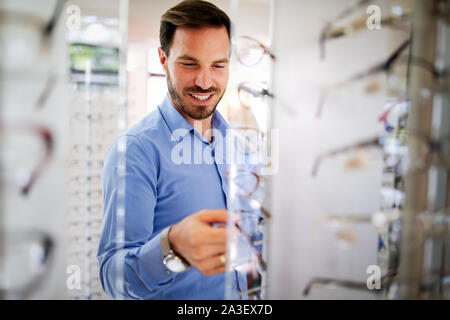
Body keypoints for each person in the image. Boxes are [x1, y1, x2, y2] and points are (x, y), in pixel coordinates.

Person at [98, 0, 247, 299]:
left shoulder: (241, 147)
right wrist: (172, 246)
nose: (205, 82)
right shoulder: (135, 152)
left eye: (218, 65)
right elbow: (112, 279)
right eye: (189, 64)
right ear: (163, 60)